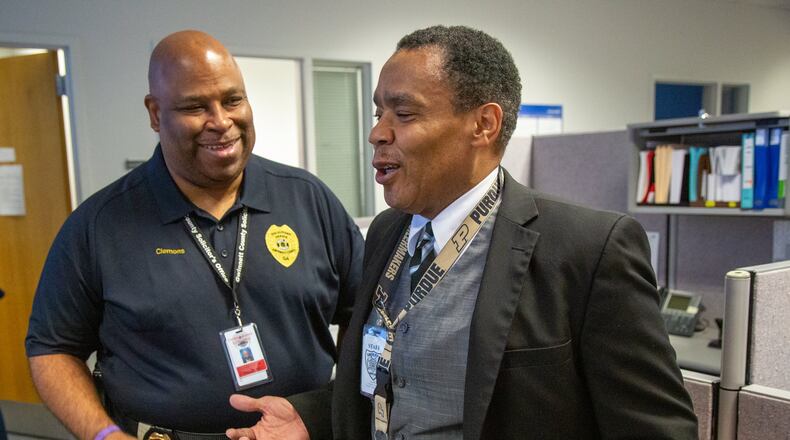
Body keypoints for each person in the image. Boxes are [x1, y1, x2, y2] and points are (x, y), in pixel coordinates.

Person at [228, 25, 698, 440]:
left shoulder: (587, 249)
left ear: (483, 124)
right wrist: (309, 416)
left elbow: (656, 429)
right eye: (378, 115)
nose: (377, 134)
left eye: (404, 115)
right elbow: (390, 377)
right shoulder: (388, 234)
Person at [25, 30, 363, 440]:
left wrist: (338, 408)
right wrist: (104, 436)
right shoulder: (99, 224)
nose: (221, 122)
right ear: (154, 113)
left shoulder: (309, 199)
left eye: (232, 100)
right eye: (195, 107)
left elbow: (362, 316)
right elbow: (52, 349)